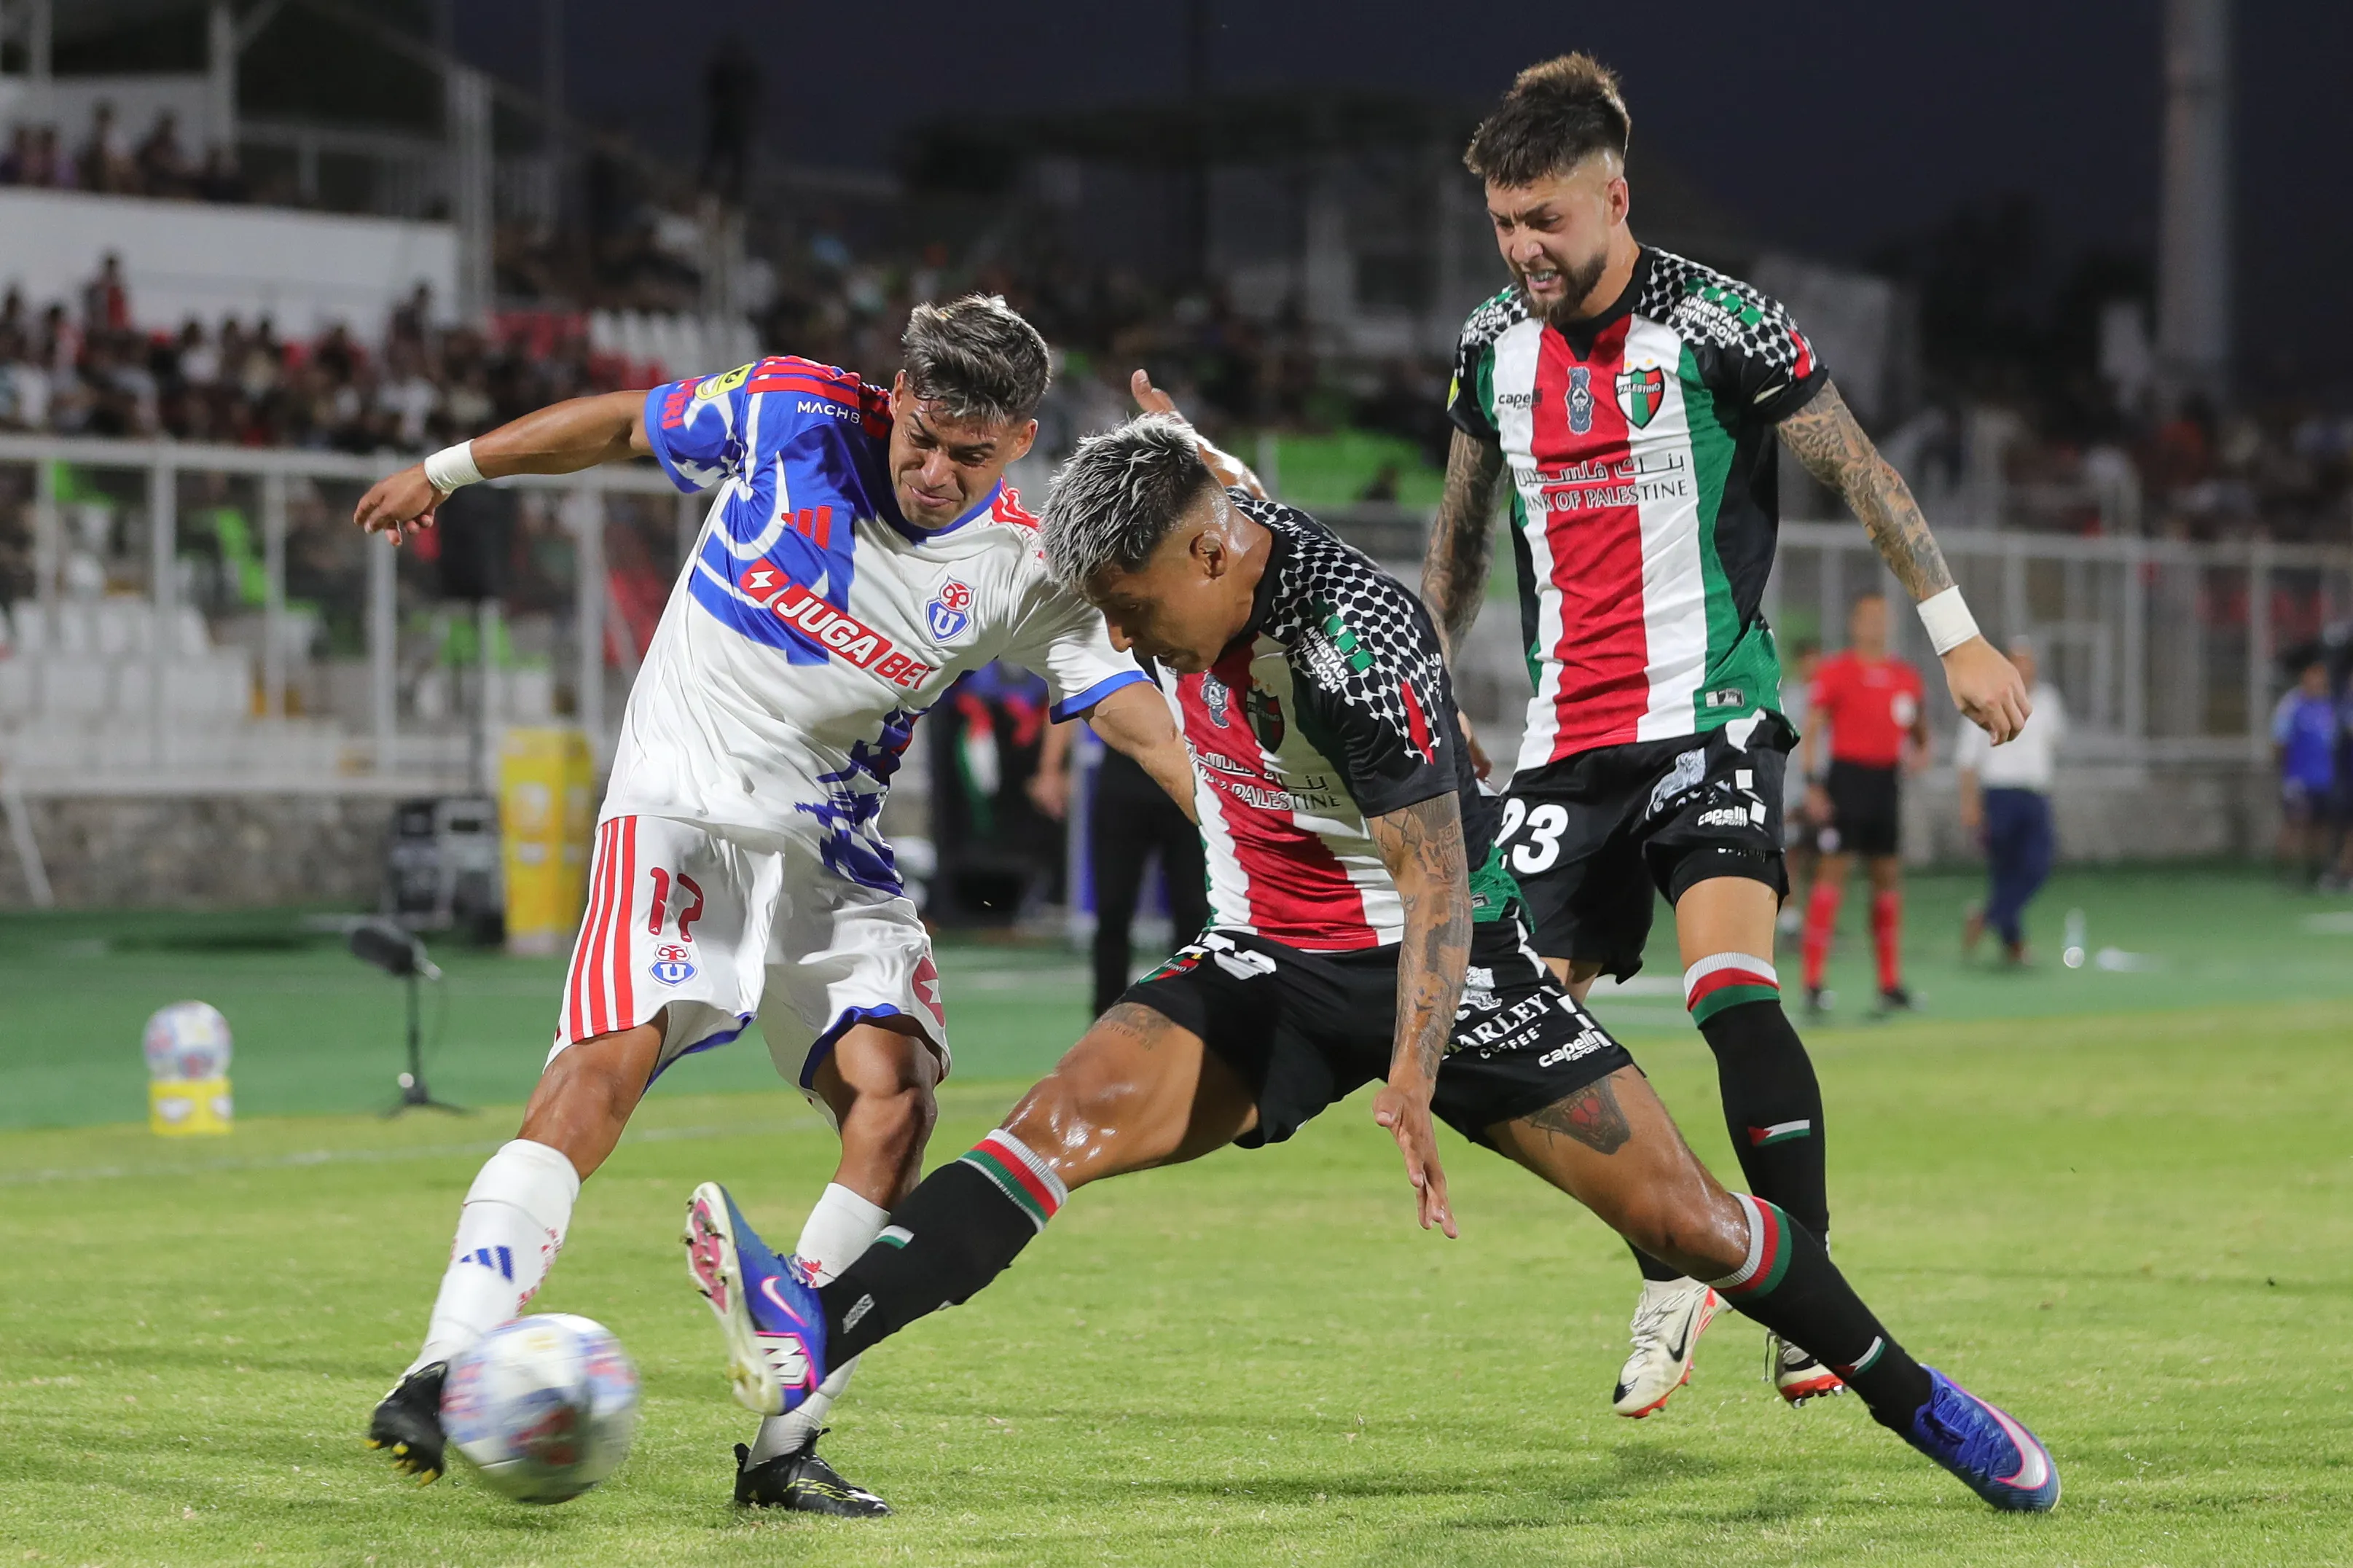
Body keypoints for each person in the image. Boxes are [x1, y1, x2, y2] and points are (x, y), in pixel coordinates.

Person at [681, 416, 2062, 1516]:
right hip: (1266, 957)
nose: (1124, 637)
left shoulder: (1354, 642)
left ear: (1212, 559)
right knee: (1055, 1125)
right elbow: (1197, 465)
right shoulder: (1195, 525)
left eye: (1135, 605)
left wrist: (1408, 1078)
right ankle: (813, 1333)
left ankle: (1914, 1396)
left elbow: (1438, 885)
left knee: (1696, 1223)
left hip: (1451, 978)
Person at [352, 297, 1199, 1515]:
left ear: (1017, 444)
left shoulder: (1022, 561)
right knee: (601, 1074)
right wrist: (447, 471)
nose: (932, 470)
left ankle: (780, 1434)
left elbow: (1125, 710)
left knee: (894, 1100)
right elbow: (617, 429)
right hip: (683, 806)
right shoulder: (791, 411)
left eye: (969, 454)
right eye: (920, 436)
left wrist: (1239, 832)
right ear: (895, 394)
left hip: (831, 851)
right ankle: (440, 1364)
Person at [1417, 54, 2029, 1418]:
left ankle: (1799, 1287)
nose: (1522, 251)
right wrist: (1422, 676)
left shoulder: (1719, 324)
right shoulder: (1487, 349)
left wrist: (1956, 635)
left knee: (1725, 987)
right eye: (1504, 225)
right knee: (1507, 1033)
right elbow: (1457, 535)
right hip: (1565, 744)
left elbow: (1863, 474)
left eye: (1545, 223)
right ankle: (1670, 1251)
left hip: (1708, 713)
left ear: (1611, 198)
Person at [1033, 712, 1210, 1016]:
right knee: (1113, 911)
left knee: (1193, 914)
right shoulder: (1118, 660)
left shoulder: (1193, 662)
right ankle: (1106, 1018)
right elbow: (1070, 689)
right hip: (1123, 787)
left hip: (1184, 786)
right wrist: (1050, 768)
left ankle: (1192, 1018)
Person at [1800, 593, 1927, 1013]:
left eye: (1881, 618)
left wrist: (1922, 751)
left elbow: (1920, 729)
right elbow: (1814, 728)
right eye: (1867, 617)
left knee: (1887, 878)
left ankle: (1890, 983)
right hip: (1846, 780)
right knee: (1831, 875)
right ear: (1854, 624)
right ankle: (1814, 981)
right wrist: (1813, 783)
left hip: (1885, 782)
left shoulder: (1904, 676)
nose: (1874, 625)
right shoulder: (1837, 672)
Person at [1959, 638, 2067, 963]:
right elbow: (1967, 760)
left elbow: (2054, 744)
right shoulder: (1985, 698)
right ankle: (2013, 945)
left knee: (2037, 864)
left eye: (2028, 661)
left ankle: (1987, 916)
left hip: (2034, 794)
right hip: (2000, 794)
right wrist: (1970, 804)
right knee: (2004, 869)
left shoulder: (2048, 701)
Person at [2273, 658, 2338, 886]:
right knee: (2294, 824)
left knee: (2320, 828)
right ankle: (2285, 873)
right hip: (2298, 779)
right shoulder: (2291, 704)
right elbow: (2279, 742)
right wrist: (2287, 771)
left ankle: (2315, 873)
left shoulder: (2330, 705)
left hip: (2325, 778)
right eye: (2313, 676)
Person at [1778, 638, 1824, 941]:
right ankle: (1790, 919)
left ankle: (1815, 919)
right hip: (1792, 787)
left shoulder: (1826, 694)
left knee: (1820, 856)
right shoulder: (1789, 698)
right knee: (1790, 853)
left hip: (1824, 788)